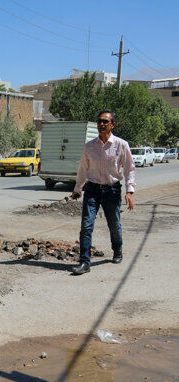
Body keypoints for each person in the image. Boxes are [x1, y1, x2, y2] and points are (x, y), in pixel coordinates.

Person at [70, 110, 135, 275]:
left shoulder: (121, 145)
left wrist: (129, 191)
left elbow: (129, 169)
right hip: (92, 190)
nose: (101, 124)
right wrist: (77, 189)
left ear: (112, 124)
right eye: (99, 121)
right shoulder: (89, 146)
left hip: (112, 190)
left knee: (114, 224)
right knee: (86, 226)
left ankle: (117, 250)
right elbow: (82, 169)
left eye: (105, 122)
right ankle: (84, 262)